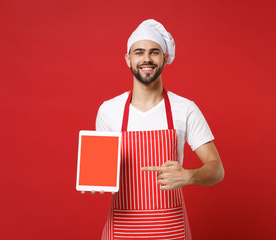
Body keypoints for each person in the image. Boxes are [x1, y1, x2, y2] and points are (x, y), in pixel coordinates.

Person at [94, 19, 224, 240]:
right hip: (122, 231)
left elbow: (217, 170)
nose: (146, 59)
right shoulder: (109, 111)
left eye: (154, 52)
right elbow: (99, 169)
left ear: (164, 58)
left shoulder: (185, 109)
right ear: (128, 59)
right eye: (139, 52)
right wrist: (94, 179)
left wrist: (189, 176)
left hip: (171, 230)